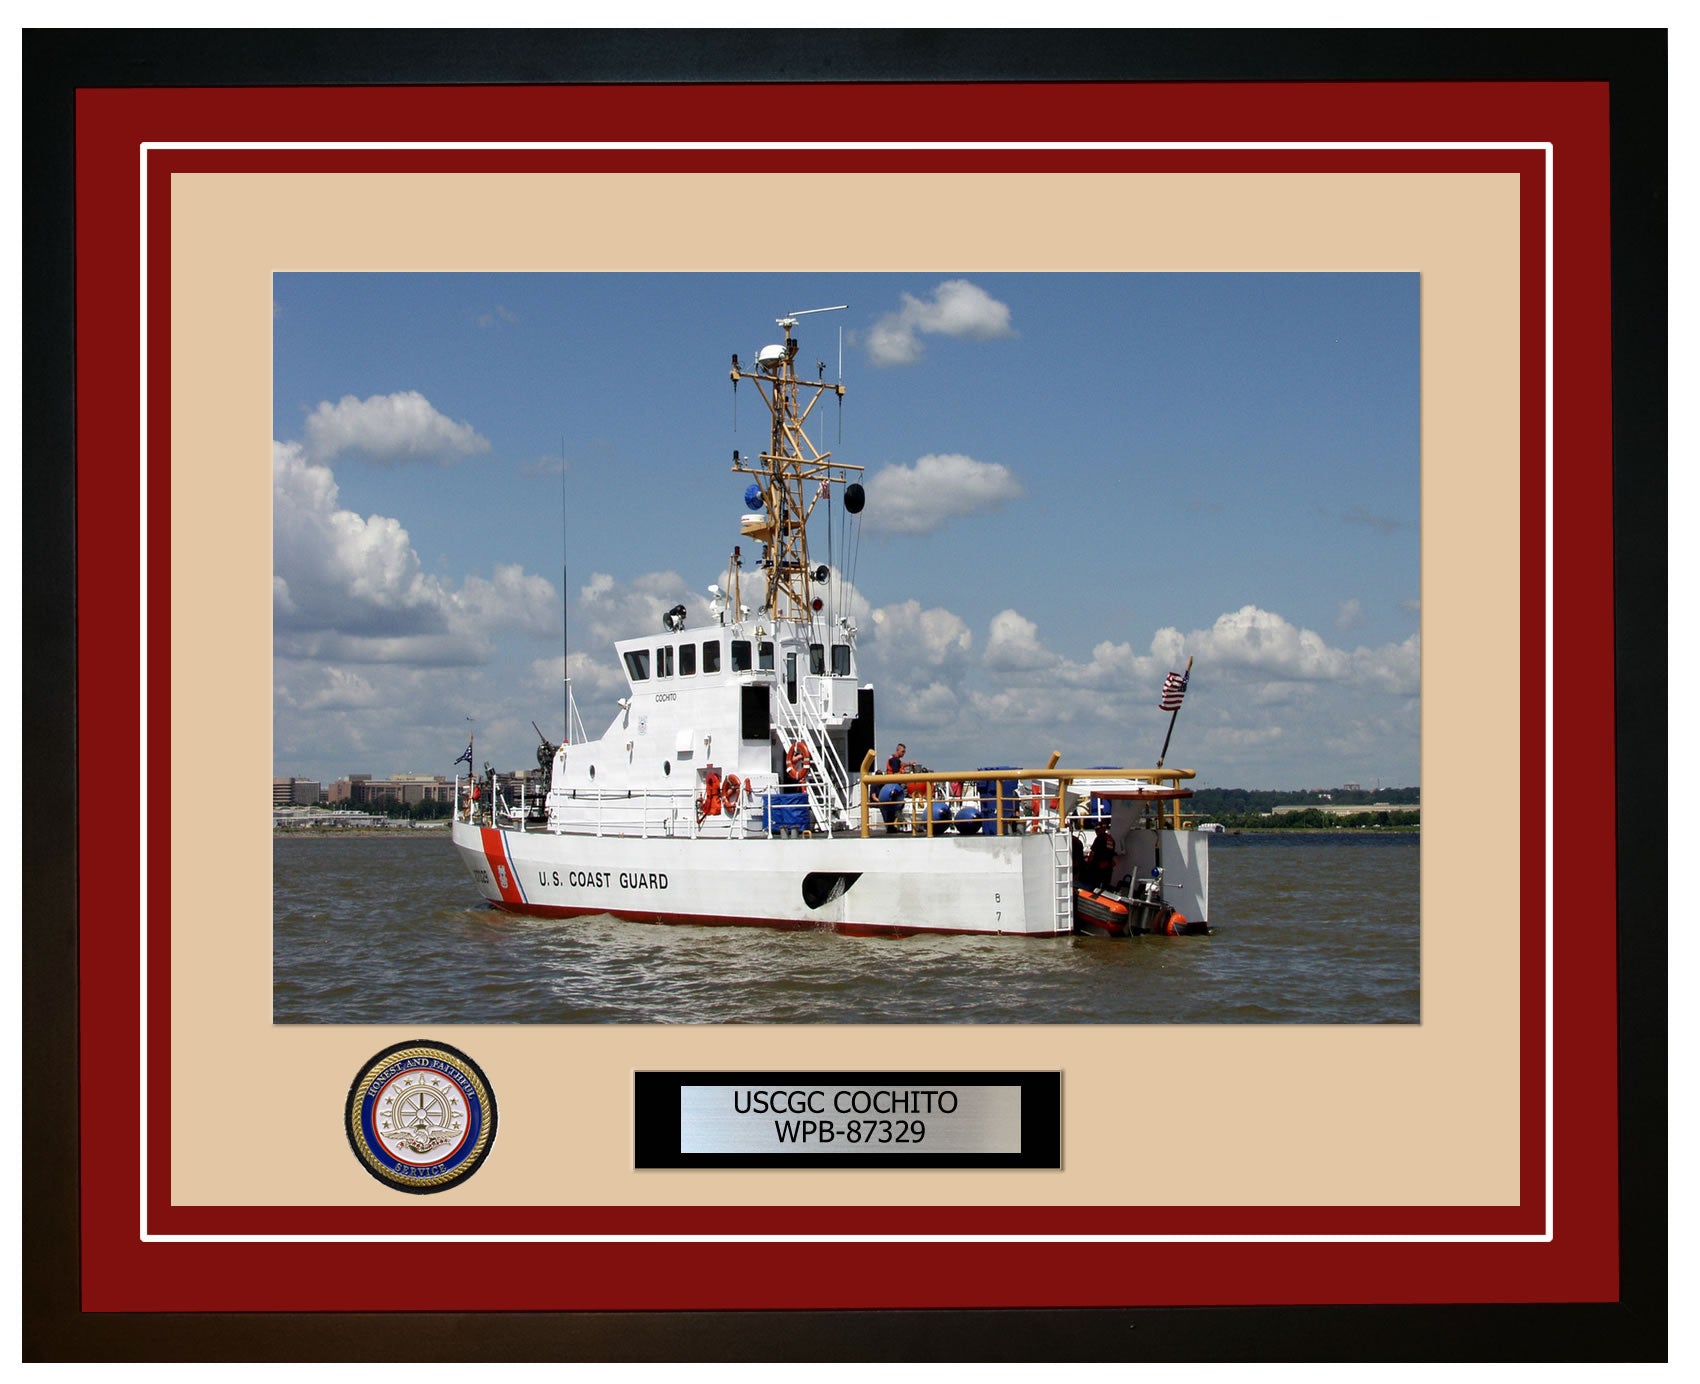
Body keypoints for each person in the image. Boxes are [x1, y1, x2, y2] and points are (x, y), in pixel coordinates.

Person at [1086, 823, 1117, 889]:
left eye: (1097, 830)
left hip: (1099, 867)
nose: (1096, 832)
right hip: (1108, 867)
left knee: (1094, 886)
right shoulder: (1110, 839)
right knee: (1105, 886)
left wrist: (1088, 864)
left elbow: (1092, 853)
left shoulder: (1099, 838)